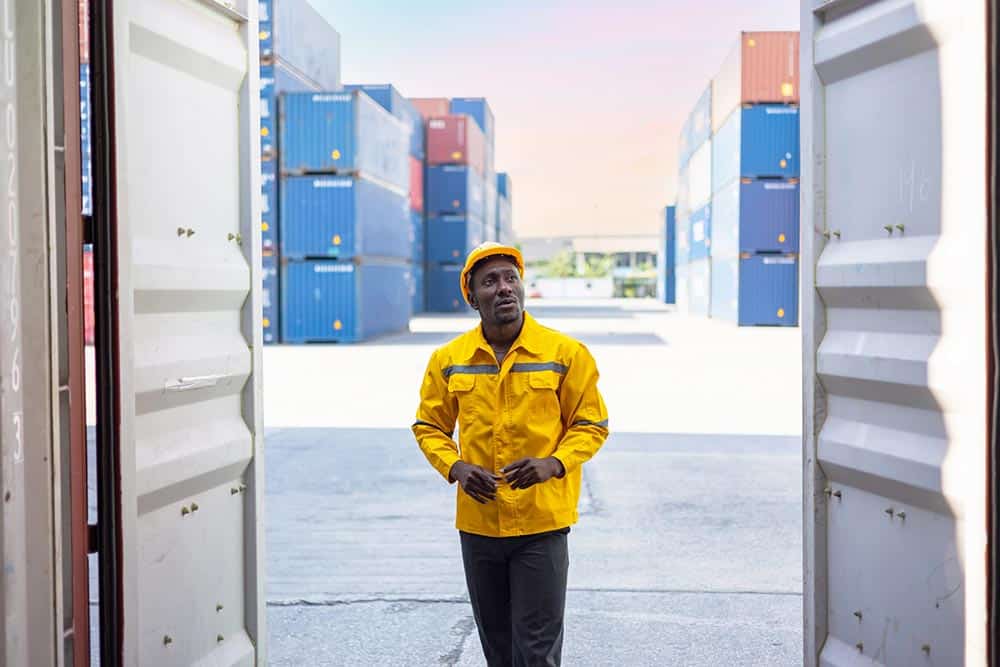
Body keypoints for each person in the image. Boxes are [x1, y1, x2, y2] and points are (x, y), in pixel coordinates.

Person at [412, 242, 609, 666]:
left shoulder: (565, 354)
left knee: (536, 651)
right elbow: (429, 426)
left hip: (541, 524)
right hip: (480, 525)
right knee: (498, 649)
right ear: (472, 297)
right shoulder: (449, 360)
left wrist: (552, 463)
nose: (504, 288)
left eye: (510, 278)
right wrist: (456, 467)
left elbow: (591, 424)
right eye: (490, 281)